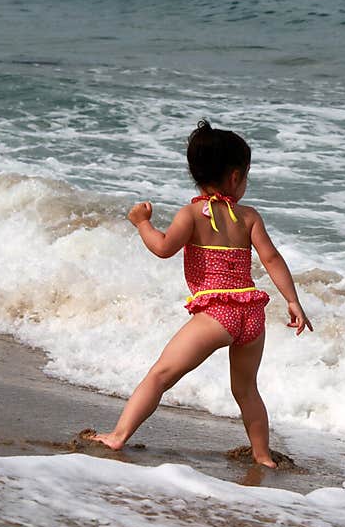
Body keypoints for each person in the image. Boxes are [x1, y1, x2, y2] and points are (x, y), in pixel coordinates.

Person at [87, 120, 312, 468]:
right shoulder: (249, 218)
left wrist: (142, 223)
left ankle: (118, 436)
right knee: (246, 390)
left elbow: (163, 248)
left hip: (217, 313)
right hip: (251, 314)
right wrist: (293, 301)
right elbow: (271, 258)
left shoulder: (191, 214)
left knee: (160, 375)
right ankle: (263, 455)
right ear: (235, 177)